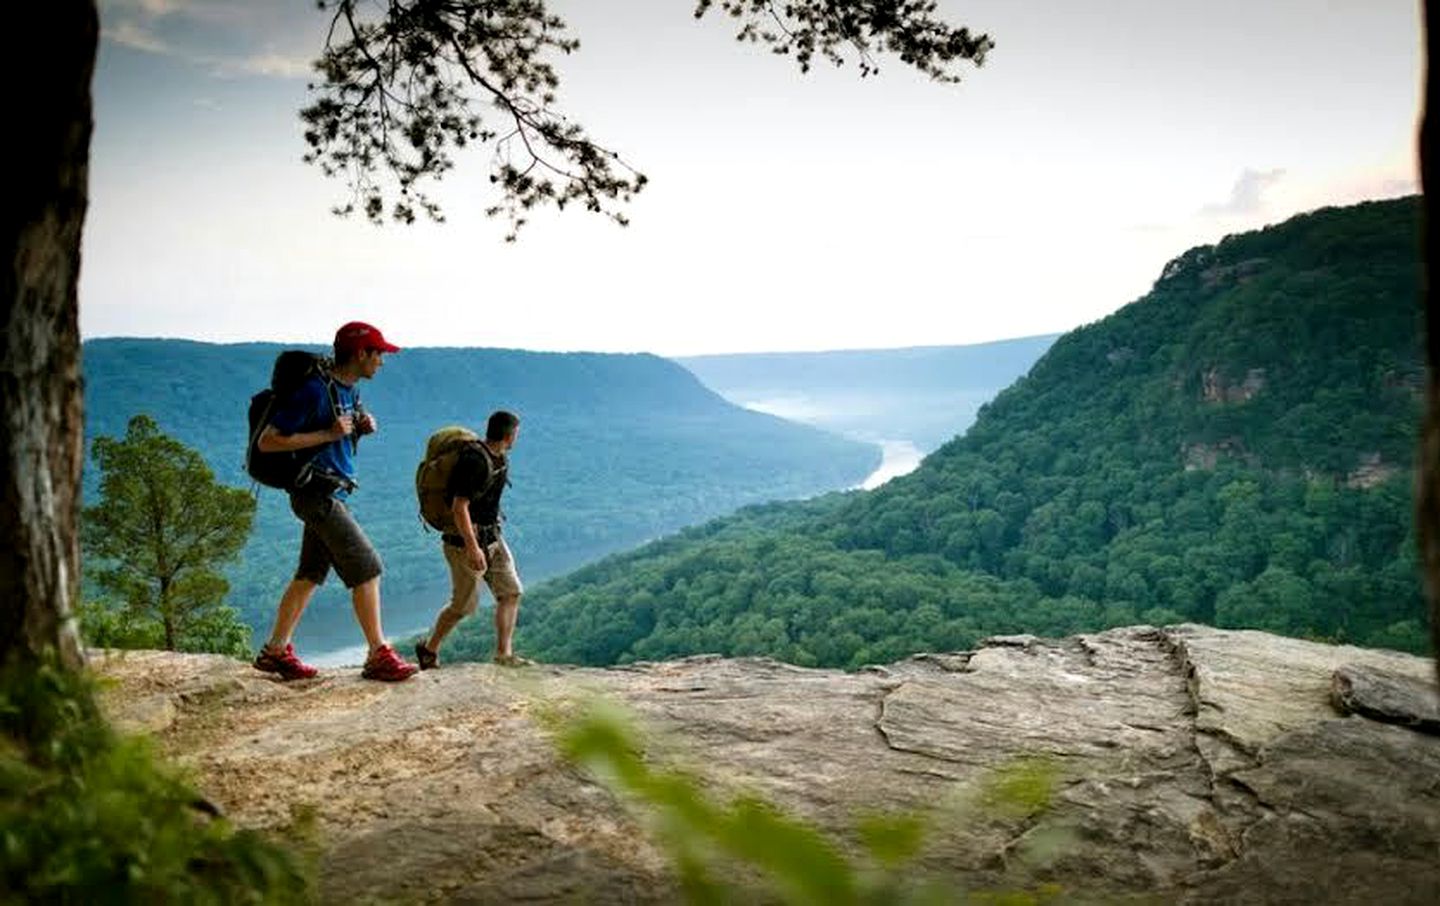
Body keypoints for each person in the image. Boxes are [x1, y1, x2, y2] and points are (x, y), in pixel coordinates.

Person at [252, 321, 418, 682]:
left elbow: (337, 434)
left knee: (310, 574)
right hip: (316, 494)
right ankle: (378, 654)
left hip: (332, 491)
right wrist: (328, 432)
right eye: (379, 354)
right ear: (361, 354)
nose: (382, 362)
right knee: (368, 567)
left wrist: (358, 427)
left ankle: (274, 652)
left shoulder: (347, 390)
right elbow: (268, 441)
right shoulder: (314, 390)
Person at [415, 410, 529, 669]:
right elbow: (459, 506)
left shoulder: (499, 458)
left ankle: (504, 655)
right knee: (463, 606)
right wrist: (472, 547)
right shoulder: (475, 461)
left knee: (510, 592)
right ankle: (429, 649)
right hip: (464, 543)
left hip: (493, 537)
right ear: (510, 434)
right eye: (516, 433)